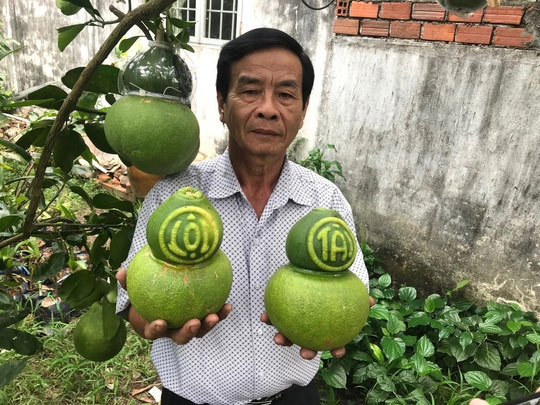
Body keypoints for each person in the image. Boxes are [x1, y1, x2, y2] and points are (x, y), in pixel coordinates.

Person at [116, 27, 370, 405]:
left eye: (285, 94)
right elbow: (133, 303)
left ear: (302, 111)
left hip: (293, 396)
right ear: (222, 104)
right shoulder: (176, 197)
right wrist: (156, 325)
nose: (268, 108)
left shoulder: (324, 199)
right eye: (250, 91)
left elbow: (354, 289)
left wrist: (340, 320)